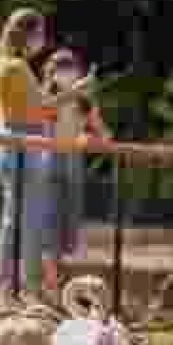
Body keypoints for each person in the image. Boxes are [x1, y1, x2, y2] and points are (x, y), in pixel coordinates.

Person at [0, 10, 91, 309]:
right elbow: (41, 108)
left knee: (18, 221)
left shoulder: (5, 65)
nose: (42, 41)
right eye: (39, 34)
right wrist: (75, 91)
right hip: (21, 146)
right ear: (26, 34)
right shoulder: (16, 67)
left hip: (17, 145)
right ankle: (18, 289)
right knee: (22, 223)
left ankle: (18, 288)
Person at [35, 46, 112, 282]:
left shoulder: (84, 102)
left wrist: (92, 138)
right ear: (52, 72)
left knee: (69, 226)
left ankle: (59, 282)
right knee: (50, 225)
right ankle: (50, 281)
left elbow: (105, 135)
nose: (69, 74)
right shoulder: (46, 96)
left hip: (73, 164)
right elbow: (43, 112)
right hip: (48, 164)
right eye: (63, 68)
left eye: (72, 68)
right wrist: (74, 91)